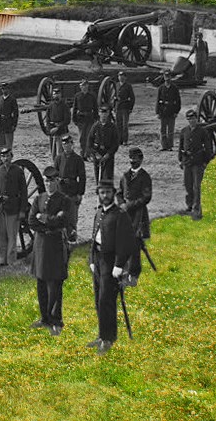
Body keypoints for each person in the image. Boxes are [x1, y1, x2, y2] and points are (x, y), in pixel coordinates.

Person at [87, 178, 136, 356]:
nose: (105, 196)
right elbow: (94, 238)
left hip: (111, 261)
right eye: (102, 192)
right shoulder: (99, 212)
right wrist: (91, 259)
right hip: (98, 260)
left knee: (107, 301)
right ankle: (102, 335)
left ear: (113, 194)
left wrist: (119, 265)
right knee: (98, 299)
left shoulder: (120, 215)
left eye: (108, 192)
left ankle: (108, 339)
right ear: (98, 194)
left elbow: (127, 242)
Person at [28, 168, 71, 335]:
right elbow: (31, 221)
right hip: (41, 244)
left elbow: (63, 220)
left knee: (55, 283)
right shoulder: (39, 198)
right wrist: (47, 224)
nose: (49, 184)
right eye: (46, 181)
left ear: (57, 182)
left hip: (55, 245)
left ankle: (56, 319)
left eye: (52, 181)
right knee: (41, 282)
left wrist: (44, 218)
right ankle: (44, 318)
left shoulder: (64, 200)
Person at [117, 147, 152, 285]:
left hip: (139, 214)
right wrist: (121, 204)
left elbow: (146, 197)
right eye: (131, 159)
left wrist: (130, 205)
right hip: (125, 215)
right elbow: (119, 192)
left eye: (135, 159)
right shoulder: (125, 176)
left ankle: (134, 274)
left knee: (136, 245)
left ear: (141, 160)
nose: (133, 161)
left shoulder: (145, 177)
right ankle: (124, 270)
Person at [0, 147, 28, 268]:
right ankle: (2, 260)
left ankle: (11, 262)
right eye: (3, 156)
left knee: (12, 236)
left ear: (11, 156)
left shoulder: (18, 171)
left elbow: (24, 192)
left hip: (13, 207)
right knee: (0, 234)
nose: (6, 159)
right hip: (1, 208)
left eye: (8, 156)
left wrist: (22, 210)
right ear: (1, 158)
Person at [178, 108, 212, 220]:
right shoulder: (184, 131)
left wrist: (206, 161)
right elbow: (181, 147)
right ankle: (189, 205)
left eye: (193, 119)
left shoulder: (202, 131)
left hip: (198, 162)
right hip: (187, 162)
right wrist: (180, 160)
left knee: (197, 186)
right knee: (188, 185)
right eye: (189, 119)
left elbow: (208, 147)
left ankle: (196, 207)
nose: (191, 121)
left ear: (196, 119)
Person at [51, 134, 86, 240]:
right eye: (64, 144)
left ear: (72, 144)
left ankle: (73, 239)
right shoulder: (58, 158)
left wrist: (80, 194)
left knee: (72, 218)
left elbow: (82, 178)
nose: (66, 146)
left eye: (68, 144)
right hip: (61, 191)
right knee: (61, 217)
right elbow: (54, 173)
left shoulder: (78, 159)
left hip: (72, 191)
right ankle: (62, 240)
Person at [89, 106, 120, 185]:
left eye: (105, 113)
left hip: (108, 153)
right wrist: (95, 153)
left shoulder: (112, 127)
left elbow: (115, 143)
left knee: (108, 174)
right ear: (99, 114)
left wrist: (108, 154)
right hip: (97, 153)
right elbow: (90, 141)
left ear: (108, 113)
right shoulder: (95, 126)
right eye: (102, 113)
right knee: (98, 173)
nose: (103, 115)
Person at [155, 70, 181, 151]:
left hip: (171, 111)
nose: (167, 79)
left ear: (171, 77)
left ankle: (170, 146)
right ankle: (163, 146)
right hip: (163, 111)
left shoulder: (174, 88)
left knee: (170, 130)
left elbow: (178, 101)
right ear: (164, 77)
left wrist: (176, 112)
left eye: (168, 77)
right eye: (166, 77)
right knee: (162, 130)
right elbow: (157, 101)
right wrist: (157, 112)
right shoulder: (161, 88)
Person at [71, 80, 97, 159]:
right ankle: (82, 153)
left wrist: (96, 119)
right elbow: (74, 108)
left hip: (89, 118)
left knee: (89, 137)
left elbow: (95, 108)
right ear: (80, 87)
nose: (84, 87)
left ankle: (87, 154)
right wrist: (74, 118)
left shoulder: (92, 96)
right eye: (83, 86)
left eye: (86, 85)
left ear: (88, 86)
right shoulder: (77, 96)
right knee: (82, 138)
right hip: (81, 119)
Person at [45, 86, 71, 159]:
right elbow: (47, 119)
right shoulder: (51, 106)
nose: (56, 95)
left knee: (61, 152)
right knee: (53, 153)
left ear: (60, 95)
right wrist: (49, 129)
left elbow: (67, 120)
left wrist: (58, 127)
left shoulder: (64, 106)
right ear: (53, 95)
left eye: (58, 94)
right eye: (54, 94)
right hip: (53, 132)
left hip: (62, 131)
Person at [0, 82, 19, 152]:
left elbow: (16, 113)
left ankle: (8, 160)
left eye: (5, 89)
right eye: (2, 89)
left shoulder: (12, 99)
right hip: (1, 123)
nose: (4, 91)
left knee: (8, 144)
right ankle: (0, 160)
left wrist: (14, 124)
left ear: (8, 89)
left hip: (8, 123)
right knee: (0, 144)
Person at [115, 71, 135, 145]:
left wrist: (130, 108)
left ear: (125, 78)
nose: (121, 77)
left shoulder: (128, 86)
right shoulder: (116, 85)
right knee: (118, 124)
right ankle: (119, 140)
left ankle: (125, 140)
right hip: (118, 107)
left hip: (125, 107)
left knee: (124, 125)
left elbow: (132, 98)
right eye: (120, 76)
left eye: (123, 76)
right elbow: (113, 96)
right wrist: (114, 106)